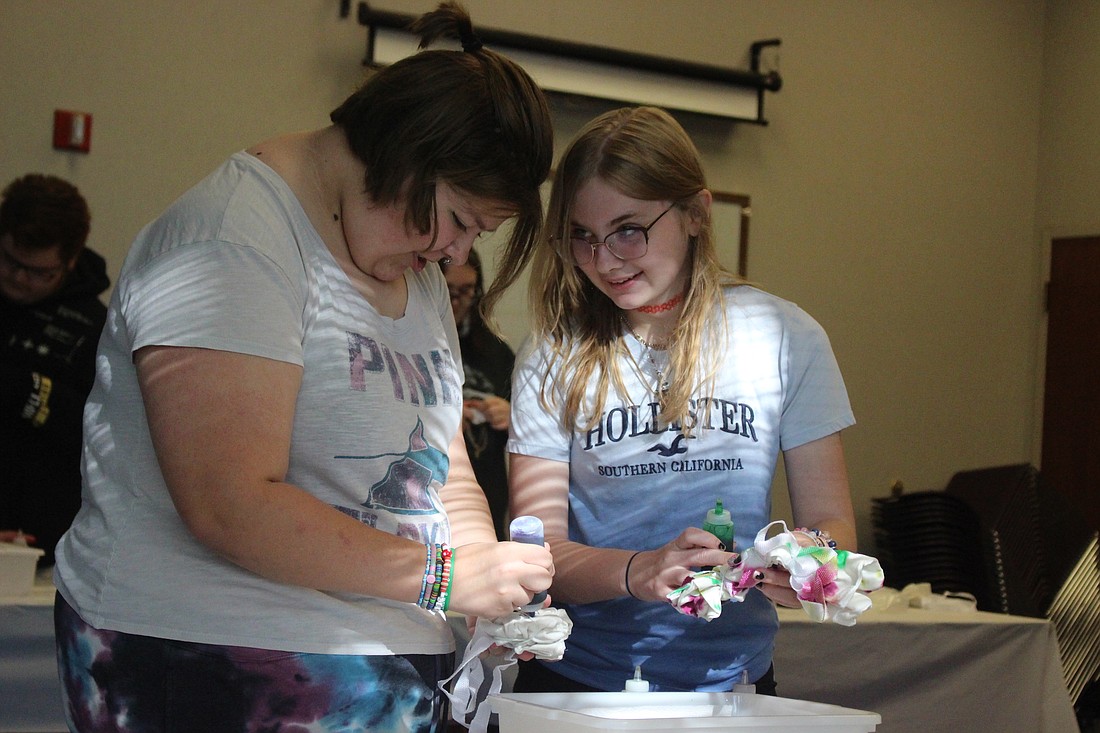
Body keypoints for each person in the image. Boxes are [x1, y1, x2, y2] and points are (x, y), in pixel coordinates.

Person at [51, 4, 554, 731]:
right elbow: (232, 503)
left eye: (478, 233)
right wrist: (445, 578)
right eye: (459, 218)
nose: (454, 251)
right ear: (404, 154)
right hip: (218, 655)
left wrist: (485, 578)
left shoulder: (410, 268)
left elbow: (438, 462)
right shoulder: (234, 239)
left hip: (379, 654)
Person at [508, 106, 857, 695]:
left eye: (628, 229)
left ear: (696, 212)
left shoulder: (784, 337)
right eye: (583, 237)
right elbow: (539, 557)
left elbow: (834, 529)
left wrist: (805, 560)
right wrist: (640, 570)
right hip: (578, 684)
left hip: (733, 686)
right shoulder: (552, 354)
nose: (605, 260)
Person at [0, 174, 106, 567]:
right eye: (10, 261)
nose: (19, 278)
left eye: (40, 271)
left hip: (43, 540)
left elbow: (99, 436)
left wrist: (31, 391)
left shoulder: (96, 329)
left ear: (71, 261)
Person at [442, 250, 516, 540]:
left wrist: (512, 416)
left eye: (466, 291)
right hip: (434, 498)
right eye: (449, 291)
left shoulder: (495, 352)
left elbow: (540, 435)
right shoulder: (416, 346)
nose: (457, 302)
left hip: (487, 498)